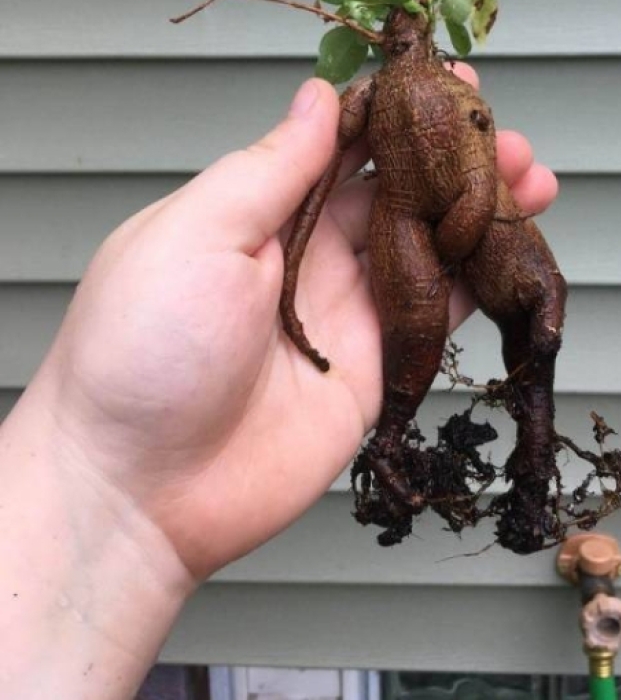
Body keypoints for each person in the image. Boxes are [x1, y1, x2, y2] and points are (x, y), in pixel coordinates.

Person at [0, 72, 558, 699]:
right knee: (431, 322)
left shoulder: (404, 94)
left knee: (536, 317)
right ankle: (407, 441)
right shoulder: (385, 98)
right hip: (404, 215)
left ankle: (529, 461)